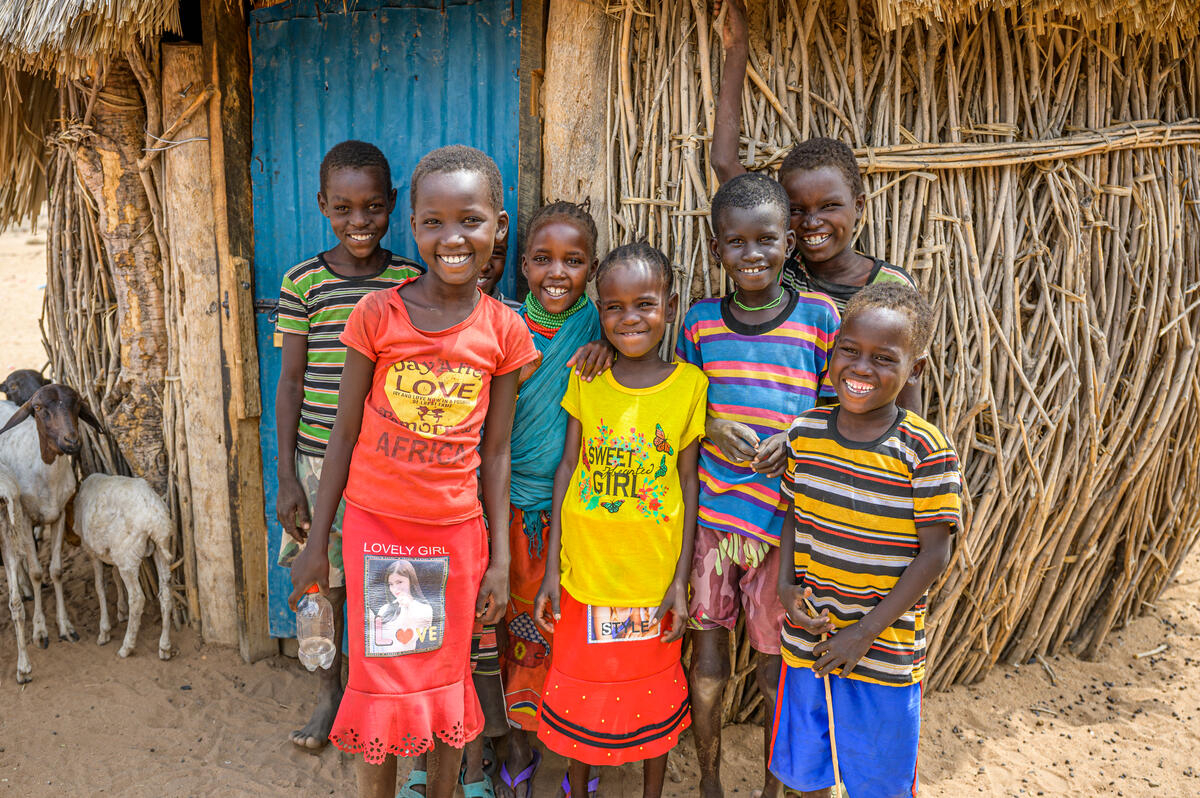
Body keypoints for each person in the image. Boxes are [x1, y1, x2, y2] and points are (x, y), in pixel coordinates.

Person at [288, 144, 539, 798]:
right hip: (378, 532)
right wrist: (318, 543)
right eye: (434, 222)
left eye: (471, 221)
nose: (452, 238)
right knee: (383, 681)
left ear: (499, 228)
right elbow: (344, 431)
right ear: (415, 227)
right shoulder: (379, 315)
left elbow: (498, 450)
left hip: (456, 537)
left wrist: (502, 562)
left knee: (446, 686)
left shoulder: (506, 331)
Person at [676, 172, 840, 798]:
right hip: (715, 520)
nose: (752, 255)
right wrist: (712, 426)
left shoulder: (819, 320)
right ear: (717, 249)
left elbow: (837, 407)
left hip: (782, 525)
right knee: (708, 654)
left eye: (766, 241)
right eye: (736, 243)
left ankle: (776, 784)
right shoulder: (698, 325)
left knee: (776, 664)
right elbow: (683, 406)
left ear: (788, 243)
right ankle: (711, 777)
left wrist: (798, 436)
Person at [773, 283, 962, 797]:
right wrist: (785, 587)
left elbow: (935, 553)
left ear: (914, 371)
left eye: (884, 358)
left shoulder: (923, 449)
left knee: (878, 780)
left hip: (883, 651)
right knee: (804, 771)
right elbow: (793, 512)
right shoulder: (806, 432)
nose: (860, 369)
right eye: (849, 351)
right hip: (808, 635)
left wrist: (866, 633)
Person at [535, 242, 705, 798]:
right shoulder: (586, 380)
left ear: (670, 306)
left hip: (651, 581)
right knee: (588, 691)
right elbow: (567, 470)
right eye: (614, 307)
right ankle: (579, 785)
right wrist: (550, 572)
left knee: (649, 695)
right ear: (598, 309)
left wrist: (680, 582)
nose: (629, 319)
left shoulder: (689, 388)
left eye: (645, 305)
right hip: (584, 575)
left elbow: (688, 484)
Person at [274, 139, 423, 750]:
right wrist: (286, 475)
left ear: (393, 204)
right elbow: (289, 383)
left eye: (372, 207)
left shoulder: (411, 281)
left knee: (388, 581)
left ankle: (378, 692)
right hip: (314, 461)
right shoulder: (303, 283)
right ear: (322, 206)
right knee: (324, 584)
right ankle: (329, 693)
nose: (358, 222)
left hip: (386, 464)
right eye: (343, 209)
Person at [710, 0, 922, 414]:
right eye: (796, 209)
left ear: (859, 206)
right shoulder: (779, 267)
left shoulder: (891, 287)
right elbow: (723, 161)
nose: (812, 222)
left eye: (829, 206)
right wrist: (736, 49)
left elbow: (908, 383)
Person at [497, 200, 603, 798]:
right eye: (542, 259)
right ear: (524, 265)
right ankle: (516, 745)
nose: (556, 273)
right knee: (516, 633)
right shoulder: (505, 327)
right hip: (511, 509)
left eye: (573, 260)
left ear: (591, 267)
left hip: (573, 515)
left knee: (564, 634)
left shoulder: (599, 330)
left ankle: (570, 756)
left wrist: (609, 351)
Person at [368, 559, 435, 655]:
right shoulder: (384, 609)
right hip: (382, 662)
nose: (395, 588)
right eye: (391, 584)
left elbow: (414, 637)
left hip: (408, 662)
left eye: (399, 582)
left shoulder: (424, 609)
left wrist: (407, 607)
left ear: (411, 581)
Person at [478, 227, 523, 311]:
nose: (484, 267)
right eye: (474, 252)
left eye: (496, 253)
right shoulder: (446, 315)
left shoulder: (519, 317)